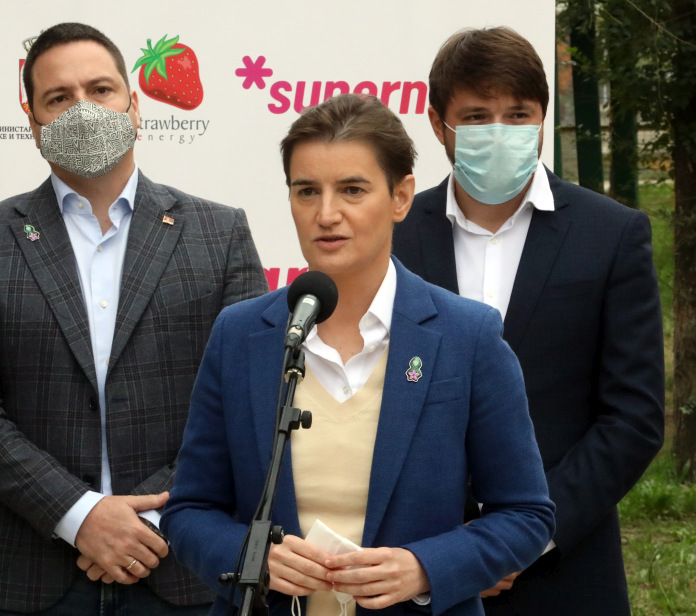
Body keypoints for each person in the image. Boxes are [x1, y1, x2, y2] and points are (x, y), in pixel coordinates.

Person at [162, 93, 555, 616]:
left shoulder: (468, 335)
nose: (326, 214)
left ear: (400, 197)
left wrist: (423, 568)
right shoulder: (240, 335)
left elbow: (526, 515)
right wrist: (251, 558)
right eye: (307, 191)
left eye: (352, 189)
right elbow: (189, 510)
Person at [0, 22, 268, 616]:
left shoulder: (220, 233)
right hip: (26, 567)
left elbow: (249, 395)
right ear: (33, 122)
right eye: (59, 98)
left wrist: (151, 515)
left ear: (135, 106)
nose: (83, 110)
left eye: (101, 90)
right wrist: (80, 515)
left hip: (182, 564)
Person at [392, 27, 665, 616]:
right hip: (417, 573)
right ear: (438, 124)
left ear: (543, 117)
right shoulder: (394, 238)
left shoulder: (611, 235)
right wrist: (449, 553)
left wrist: (520, 540)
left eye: (518, 115)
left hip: (566, 573)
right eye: (477, 116)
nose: (500, 132)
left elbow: (634, 418)